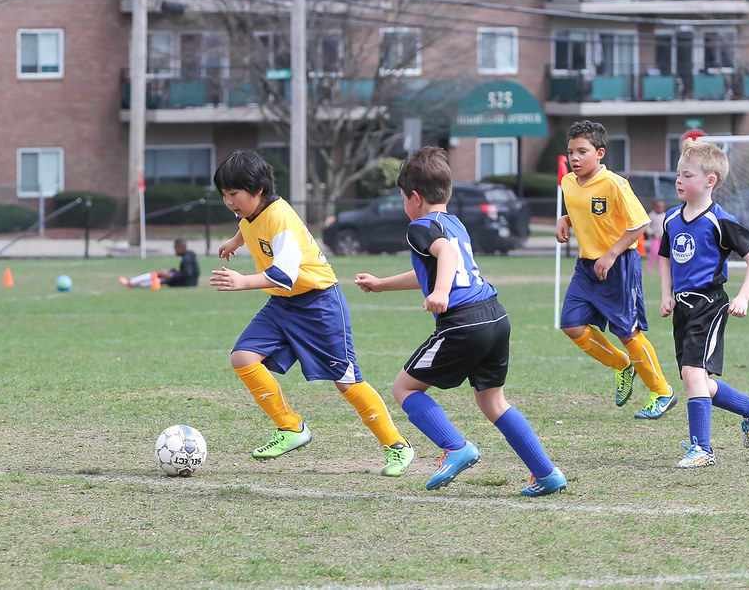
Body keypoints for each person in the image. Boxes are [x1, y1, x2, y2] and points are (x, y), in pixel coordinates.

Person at [355, 146, 567, 496]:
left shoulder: (419, 226)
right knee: (494, 402)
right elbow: (438, 265)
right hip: (494, 315)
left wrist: (439, 293)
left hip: (463, 323)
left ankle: (455, 447)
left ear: (415, 197)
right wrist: (382, 285)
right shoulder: (453, 223)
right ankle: (546, 473)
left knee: (404, 388)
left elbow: (447, 258)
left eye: (403, 197)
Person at [208, 150, 414, 476]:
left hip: (319, 304)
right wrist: (235, 241)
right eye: (224, 195)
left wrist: (244, 280)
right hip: (283, 304)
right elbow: (248, 224)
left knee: (346, 382)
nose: (229, 202)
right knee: (243, 357)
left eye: (234, 194)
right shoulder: (252, 212)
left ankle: (397, 446)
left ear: (258, 190)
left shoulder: (280, 218)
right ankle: (290, 427)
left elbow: (284, 274)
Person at [659, 140, 749, 468]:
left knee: (694, 373)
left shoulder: (720, 221)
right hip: (681, 306)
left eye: (687, 174)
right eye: (677, 173)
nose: (678, 180)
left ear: (709, 181)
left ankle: (701, 449)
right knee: (696, 380)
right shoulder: (670, 220)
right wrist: (666, 294)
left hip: (710, 304)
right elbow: (664, 259)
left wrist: (743, 297)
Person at [555, 119, 677, 419]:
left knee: (628, 333)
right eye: (571, 151)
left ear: (600, 153)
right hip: (586, 267)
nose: (574, 158)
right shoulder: (567, 183)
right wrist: (565, 219)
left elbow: (639, 224)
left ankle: (662, 392)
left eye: (582, 151)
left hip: (619, 266)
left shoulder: (615, 184)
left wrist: (610, 255)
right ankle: (622, 365)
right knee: (571, 325)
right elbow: (584, 210)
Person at [119, 238, 199, 288]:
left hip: (187, 283)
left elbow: (188, 274)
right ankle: (133, 282)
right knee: (162, 273)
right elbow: (190, 272)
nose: (175, 251)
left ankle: (133, 282)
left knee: (161, 276)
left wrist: (171, 276)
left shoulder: (186, 259)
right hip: (191, 282)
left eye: (176, 248)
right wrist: (177, 272)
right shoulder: (190, 255)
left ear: (181, 248)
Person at [646, 200, 667, 273]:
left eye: (662, 207)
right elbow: (647, 226)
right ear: (654, 207)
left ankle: (660, 268)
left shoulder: (664, 215)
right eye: (658, 207)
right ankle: (649, 268)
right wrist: (651, 232)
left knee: (661, 254)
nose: (660, 208)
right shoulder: (651, 215)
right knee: (654, 252)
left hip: (662, 237)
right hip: (654, 237)